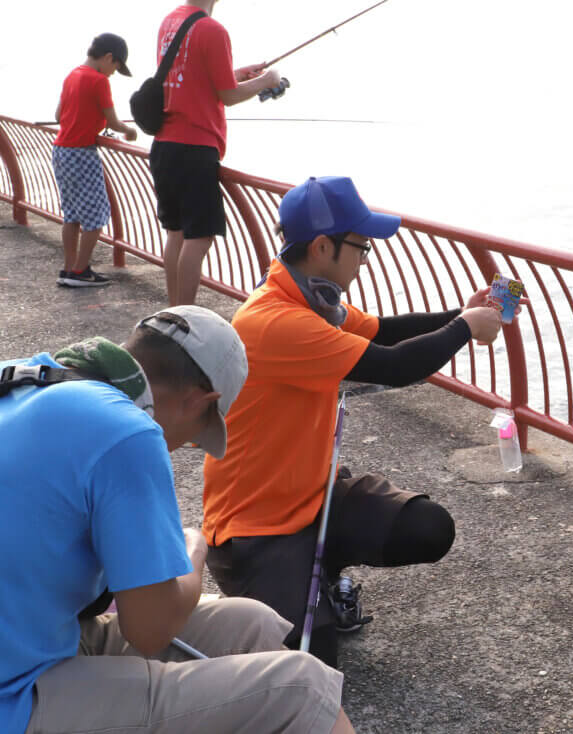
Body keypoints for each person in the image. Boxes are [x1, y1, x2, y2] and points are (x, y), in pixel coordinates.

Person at [0, 305, 354, 734]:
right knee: (305, 687)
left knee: (250, 622)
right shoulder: (127, 431)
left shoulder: (24, 377)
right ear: (200, 401)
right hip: (15, 695)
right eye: (194, 435)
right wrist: (194, 548)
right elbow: (148, 629)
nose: (179, 446)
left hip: (33, 640)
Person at [202, 175, 506, 667]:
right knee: (310, 672)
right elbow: (393, 365)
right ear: (323, 247)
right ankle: (286, 589)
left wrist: (460, 315)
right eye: (362, 247)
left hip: (313, 494)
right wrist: (465, 329)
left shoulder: (312, 300)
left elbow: (383, 334)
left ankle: (321, 576)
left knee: (428, 527)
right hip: (256, 526)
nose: (365, 258)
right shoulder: (277, 321)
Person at [150, 0, 282, 306]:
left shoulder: (171, 21)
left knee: (176, 232)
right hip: (195, 146)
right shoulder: (212, 29)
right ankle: (186, 314)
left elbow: (191, 75)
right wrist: (267, 80)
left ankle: (173, 310)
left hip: (164, 144)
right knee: (199, 237)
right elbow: (229, 95)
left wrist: (237, 73)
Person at [52, 33, 137, 288]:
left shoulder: (72, 75)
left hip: (61, 151)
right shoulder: (98, 81)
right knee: (96, 216)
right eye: (116, 67)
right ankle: (80, 271)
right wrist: (129, 131)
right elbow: (112, 122)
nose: (112, 73)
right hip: (82, 153)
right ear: (109, 57)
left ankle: (68, 268)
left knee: (72, 215)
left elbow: (58, 115)